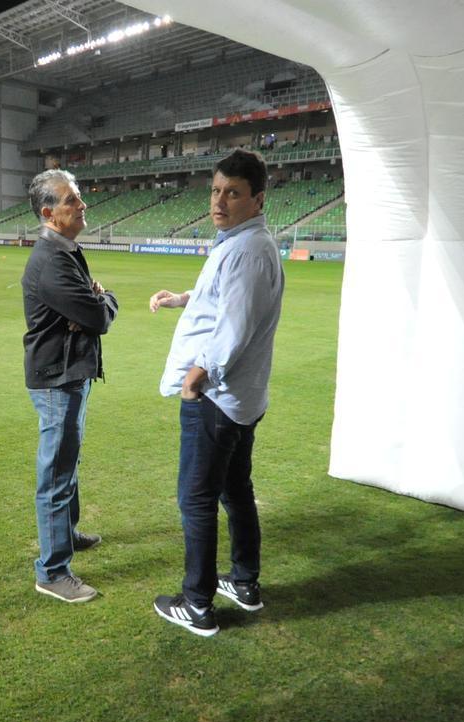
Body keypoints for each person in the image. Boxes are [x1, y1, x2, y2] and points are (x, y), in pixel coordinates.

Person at [148, 149, 285, 637]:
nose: (220, 201)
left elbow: (235, 327)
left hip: (217, 398)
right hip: (240, 399)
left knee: (197, 499)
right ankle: (244, 583)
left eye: (233, 192)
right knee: (234, 489)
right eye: (215, 190)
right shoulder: (242, 243)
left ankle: (197, 604)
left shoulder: (249, 249)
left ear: (257, 199)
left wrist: (195, 380)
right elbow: (223, 300)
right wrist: (183, 299)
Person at [21, 169, 119, 603]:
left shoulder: (65, 251)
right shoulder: (50, 261)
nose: (82, 206)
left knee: (67, 465)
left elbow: (90, 313)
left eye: (79, 198)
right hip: (57, 380)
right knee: (57, 474)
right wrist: (104, 298)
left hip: (70, 374)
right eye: (71, 201)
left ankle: (68, 534)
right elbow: (99, 317)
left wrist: (94, 303)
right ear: (48, 213)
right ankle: (53, 572)